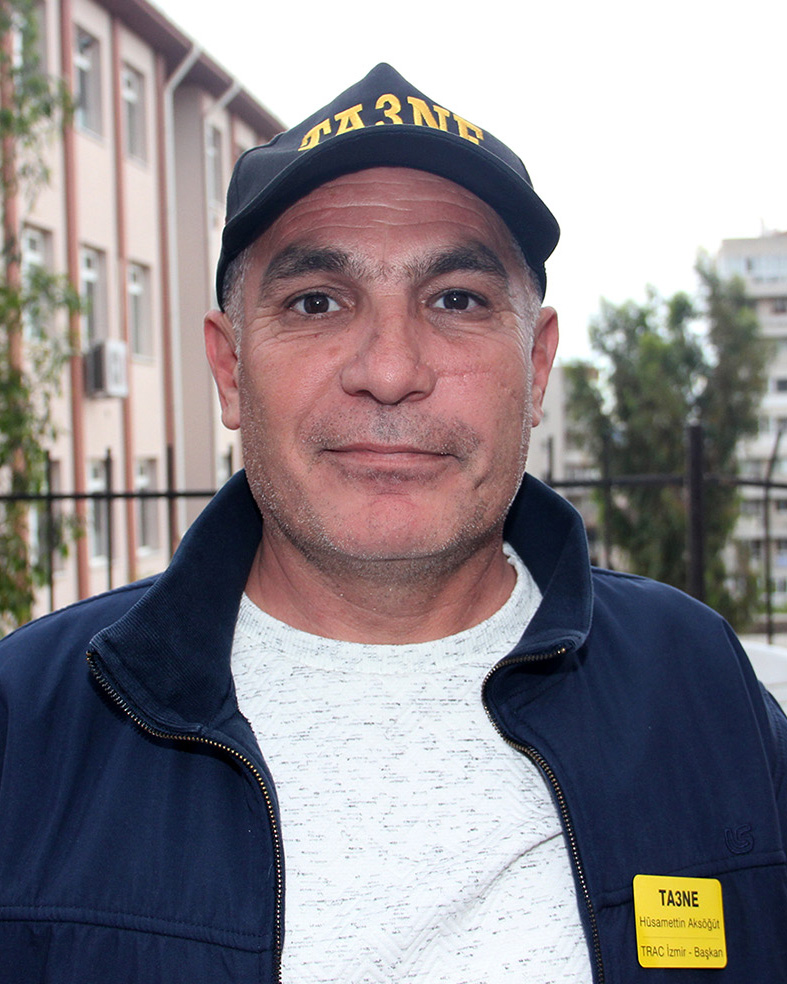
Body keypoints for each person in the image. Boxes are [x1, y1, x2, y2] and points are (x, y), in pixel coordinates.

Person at [0, 64, 785, 984]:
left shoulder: (698, 687)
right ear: (229, 368)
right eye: (316, 302)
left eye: (455, 299)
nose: (388, 369)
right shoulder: (30, 724)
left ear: (535, 368)